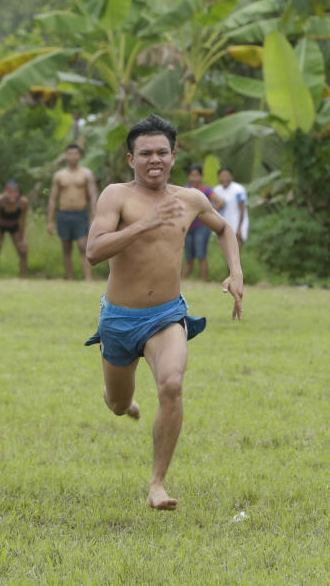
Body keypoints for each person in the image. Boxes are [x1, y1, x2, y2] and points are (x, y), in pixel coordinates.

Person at [83, 114, 243, 510]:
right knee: (119, 405)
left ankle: (157, 484)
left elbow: (224, 229)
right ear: (130, 159)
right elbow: (94, 251)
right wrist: (144, 224)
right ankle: (123, 400)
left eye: (161, 152)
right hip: (120, 318)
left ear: (173, 156)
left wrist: (236, 273)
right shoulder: (115, 196)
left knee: (171, 385)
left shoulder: (191, 199)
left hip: (167, 315)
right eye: (145, 154)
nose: (153, 160)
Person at [47, 144, 98, 281]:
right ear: (66, 156)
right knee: (66, 247)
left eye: (75, 153)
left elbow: (93, 196)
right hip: (63, 214)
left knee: (83, 246)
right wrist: (50, 221)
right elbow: (53, 198)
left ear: (79, 156)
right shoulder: (59, 175)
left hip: (80, 213)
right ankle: (70, 278)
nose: (73, 156)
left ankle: (88, 278)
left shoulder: (86, 173)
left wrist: (94, 216)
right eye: (70, 154)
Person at [182, 164, 224, 281]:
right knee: (188, 257)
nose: (194, 178)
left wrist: (208, 215)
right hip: (188, 227)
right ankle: (182, 282)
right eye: (192, 175)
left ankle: (203, 282)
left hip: (202, 227)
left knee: (201, 255)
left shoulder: (206, 190)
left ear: (201, 176)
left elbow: (220, 202)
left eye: (197, 175)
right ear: (189, 176)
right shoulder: (185, 190)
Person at [0, 179, 29, 278]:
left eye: (15, 193)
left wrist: (22, 239)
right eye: (9, 192)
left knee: (23, 251)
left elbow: (22, 221)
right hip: (0, 225)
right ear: (5, 192)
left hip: (15, 225)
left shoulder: (23, 202)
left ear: (19, 193)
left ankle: (23, 278)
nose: (12, 195)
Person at [213, 167, 249, 246]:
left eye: (227, 176)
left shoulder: (239, 189)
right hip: (224, 224)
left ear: (231, 177)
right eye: (222, 176)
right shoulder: (216, 190)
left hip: (237, 222)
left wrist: (239, 228)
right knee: (227, 251)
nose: (224, 178)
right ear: (218, 178)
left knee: (236, 249)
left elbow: (242, 210)